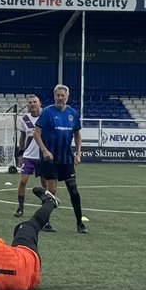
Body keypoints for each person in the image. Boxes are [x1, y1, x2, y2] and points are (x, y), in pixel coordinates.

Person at [34, 83, 88, 234]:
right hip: (50, 159)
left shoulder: (73, 114)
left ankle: (80, 223)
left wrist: (78, 153)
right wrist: (44, 151)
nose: (60, 98)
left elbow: (77, 134)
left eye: (62, 95)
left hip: (66, 158)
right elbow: (36, 133)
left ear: (67, 97)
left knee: (74, 190)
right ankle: (45, 222)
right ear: (54, 96)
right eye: (57, 95)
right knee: (51, 190)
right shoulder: (47, 112)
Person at [14, 95, 45, 217]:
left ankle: (44, 210)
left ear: (39, 103)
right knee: (23, 181)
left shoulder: (45, 117)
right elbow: (22, 137)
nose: (32, 104)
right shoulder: (25, 119)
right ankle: (20, 207)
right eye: (30, 102)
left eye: (35, 102)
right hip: (28, 156)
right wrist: (21, 153)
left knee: (45, 184)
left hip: (42, 156)